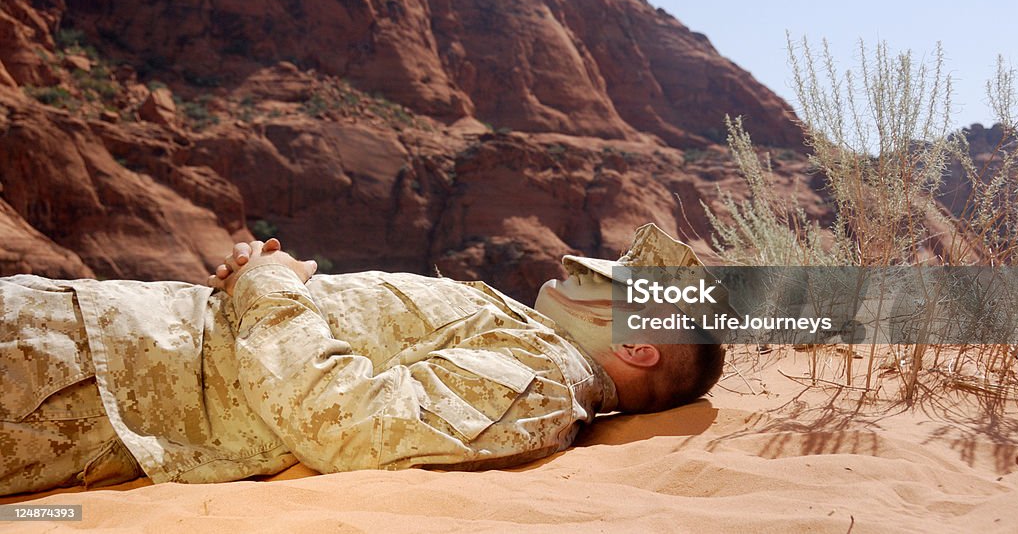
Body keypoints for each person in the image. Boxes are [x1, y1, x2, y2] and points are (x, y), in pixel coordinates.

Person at [0, 223, 725, 497]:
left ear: (636, 345)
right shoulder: (531, 346)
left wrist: (268, 286)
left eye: (612, 284)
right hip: (82, 342)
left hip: (78, 384)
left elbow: (344, 422)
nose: (581, 269)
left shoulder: (536, 385)